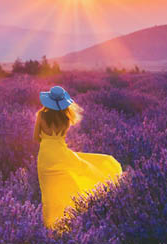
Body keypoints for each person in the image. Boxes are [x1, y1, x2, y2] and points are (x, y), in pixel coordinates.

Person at [35, 85, 122, 228]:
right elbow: (61, 139)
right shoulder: (65, 118)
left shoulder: (41, 116)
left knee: (49, 193)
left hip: (45, 155)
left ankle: (50, 228)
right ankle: (66, 225)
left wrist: (47, 141)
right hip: (62, 154)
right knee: (74, 179)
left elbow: (36, 137)